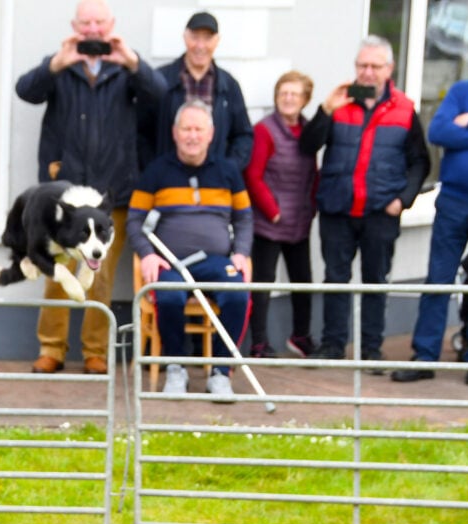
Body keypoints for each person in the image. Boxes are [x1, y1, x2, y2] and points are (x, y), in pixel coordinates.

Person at [16, 0, 165, 377]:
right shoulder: (61, 65)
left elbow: (161, 95)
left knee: (98, 275)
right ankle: (51, 348)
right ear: (75, 26)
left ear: (112, 24)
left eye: (100, 22)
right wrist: (56, 64)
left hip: (109, 192)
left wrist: (130, 60)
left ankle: (96, 351)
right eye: (87, 23)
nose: (94, 29)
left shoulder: (126, 69)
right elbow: (25, 91)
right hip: (64, 195)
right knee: (57, 270)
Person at [392, 23, 468, 387]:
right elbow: (439, 132)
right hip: (455, 201)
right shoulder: (461, 91)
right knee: (437, 280)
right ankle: (424, 356)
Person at [301, 35, 430, 367]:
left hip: (380, 211)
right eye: (362, 65)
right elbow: (307, 146)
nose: (368, 72)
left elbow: (420, 162)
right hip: (337, 208)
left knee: (376, 280)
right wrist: (325, 110)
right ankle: (332, 345)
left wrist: (403, 200)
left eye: (375, 66)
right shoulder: (340, 101)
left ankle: (371, 348)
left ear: (389, 69)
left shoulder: (403, 108)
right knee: (335, 279)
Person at [126, 99, 253, 400]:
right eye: (186, 129)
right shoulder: (157, 171)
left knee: (238, 292)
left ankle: (221, 373)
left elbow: (245, 218)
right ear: (175, 132)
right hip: (171, 262)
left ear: (211, 134)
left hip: (216, 261)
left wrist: (241, 252)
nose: (192, 135)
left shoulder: (228, 171)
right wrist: (147, 253)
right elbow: (134, 219)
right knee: (168, 297)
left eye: (199, 129)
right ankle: (176, 367)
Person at [243, 70, 318, 358]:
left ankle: (301, 336)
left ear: (305, 100)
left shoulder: (309, 130)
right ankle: (259, 342)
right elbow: (253, 174)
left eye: (294, 94)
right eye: (283, 93)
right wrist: (272, 211)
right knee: (263, 282)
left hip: (300, 219)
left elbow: (313, 173)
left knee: (303, 280)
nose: (288, 99)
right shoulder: (265, 130)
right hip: (269, 222)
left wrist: (311, 207)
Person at [146, 11, 252, 171]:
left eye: (207, 38)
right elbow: (141, 132)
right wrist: (154, 170)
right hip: (167, 181)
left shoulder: (229, 85)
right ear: (185, 38)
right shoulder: (161, 80)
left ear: (217, 41)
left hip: (214, 183)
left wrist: (228, 170)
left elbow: (243, 135)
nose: (200, 46)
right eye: (195, 37)